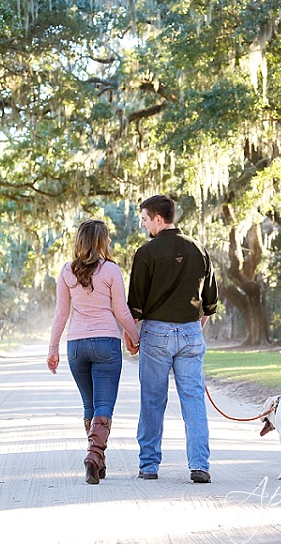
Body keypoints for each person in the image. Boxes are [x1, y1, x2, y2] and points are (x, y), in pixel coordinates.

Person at [127, 195, 218, 483]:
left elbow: (136, 306)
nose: (143, 225)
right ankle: (200, 465)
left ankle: (149, 466)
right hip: (191, 331)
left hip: (156, 333)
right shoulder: (198, 249)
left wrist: (132, 337)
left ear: (158, 218)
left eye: (144, 219)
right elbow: (211, 302)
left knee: (152, 400)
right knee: (193, 400)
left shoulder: (146, 253)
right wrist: (196, 327)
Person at [48, 219, 140, 485]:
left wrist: (53, 348)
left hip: (76, 346)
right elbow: (122, 312)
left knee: (90, 405)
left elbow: (61, 314)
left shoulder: (67, 271)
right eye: (107, 238)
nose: (110, 242)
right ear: (101, 242)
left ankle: (97, 461)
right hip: (106, 343)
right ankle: (93, 455)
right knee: (103, 405)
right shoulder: (111, 270)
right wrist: (135, 338)